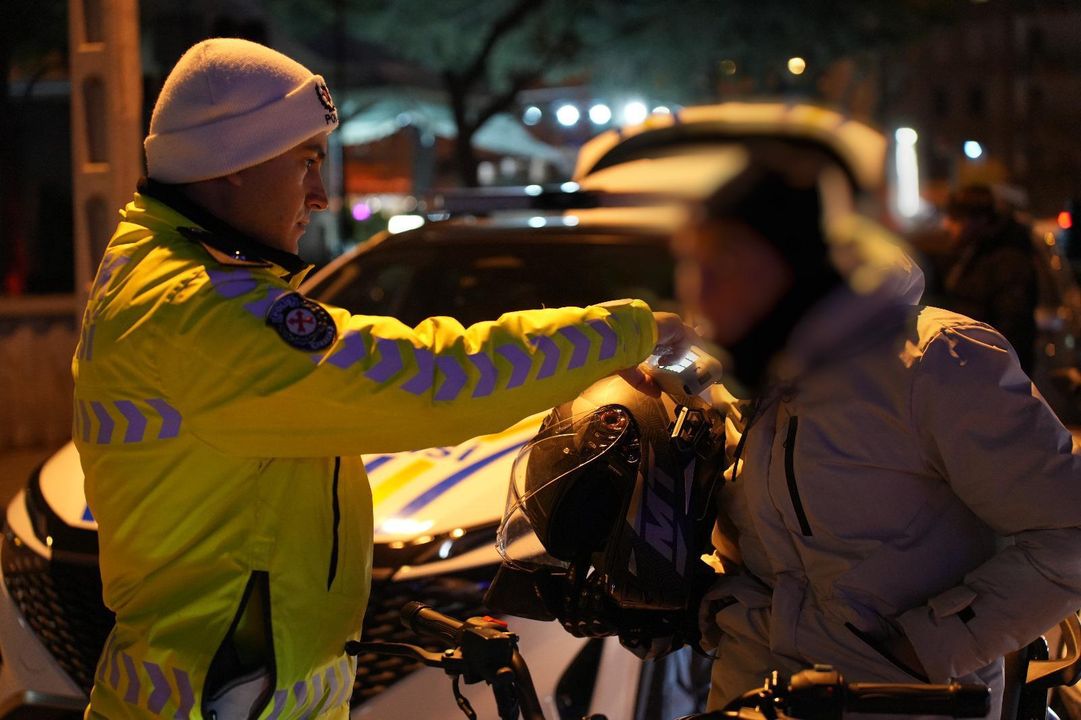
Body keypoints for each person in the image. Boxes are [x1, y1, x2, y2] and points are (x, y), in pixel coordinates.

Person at [72, 38, 687, 719]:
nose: (321, 194)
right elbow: (433, 379)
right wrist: (629, 333)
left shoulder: (161, 276)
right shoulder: (200, 311)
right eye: (305, 161)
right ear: (233, 164)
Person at [677, 141, 1081, 719]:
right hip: (755, 692)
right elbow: (774, 552)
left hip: (900, 699)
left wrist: (927, 647)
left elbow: (1068, 532)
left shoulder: (939, 359)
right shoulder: (745, 377)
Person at [936, 185, 1039, 373]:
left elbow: (1011, 327)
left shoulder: (1008, 261)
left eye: (955, 219)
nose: (947, 225)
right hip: (971, 367)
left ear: (979, 220)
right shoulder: (969, 253)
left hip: (992, 374)